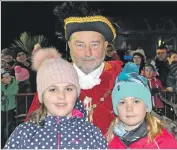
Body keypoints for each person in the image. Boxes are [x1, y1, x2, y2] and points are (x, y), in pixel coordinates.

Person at [26, 2, 123, 134]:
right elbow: (32, 132)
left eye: (94, 45)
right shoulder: (52, 80)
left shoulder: (122, 79)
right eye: (80, 45)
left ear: (105, 46)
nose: (87, 53)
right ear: (69, 46)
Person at [4, 48, 107, 149]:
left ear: (77, 94)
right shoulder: (23, 135)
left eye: (69, 89)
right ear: (41, 96)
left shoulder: (92, 134)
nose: (61, 96)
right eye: (53, 89)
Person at [106, 62, 177, 149]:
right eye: (122, 102)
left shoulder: (164, 143)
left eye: (136, 101)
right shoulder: (106, 141)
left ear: (147, 106)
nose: (129, 108)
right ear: (116, 109)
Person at [1, 68, 19, 148]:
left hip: (11, 108)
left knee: (10, 127)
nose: (9, 78)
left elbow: (14, 91)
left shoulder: (13, 82)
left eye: (9, 76)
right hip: (1, 109)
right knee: (2, 127)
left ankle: (10, 144)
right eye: (6, 77)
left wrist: (4, 92)